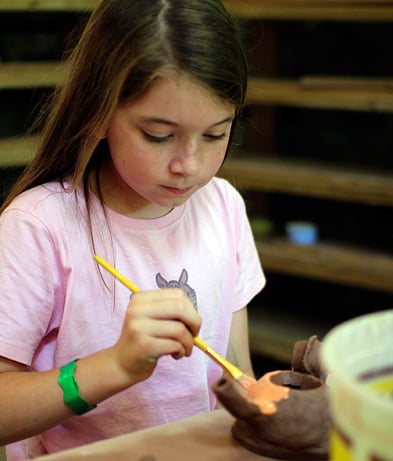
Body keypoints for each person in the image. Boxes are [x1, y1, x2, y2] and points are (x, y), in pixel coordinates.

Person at [0, 0, 266, 459]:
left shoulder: (223, 206)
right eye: (158, 136)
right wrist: (114, 366)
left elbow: (233, 370)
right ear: (98, 112)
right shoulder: (39, 227)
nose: (190, 165)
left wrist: (274, 404)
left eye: (216, 134)